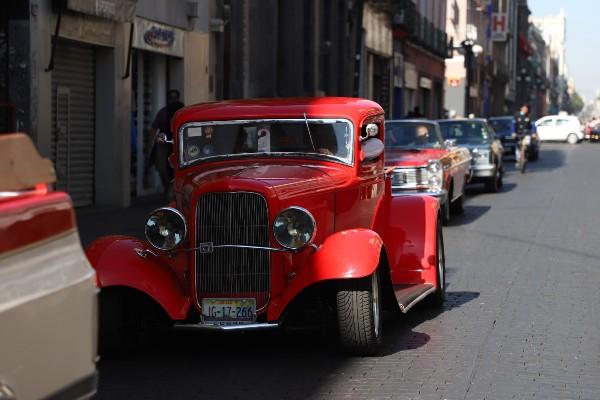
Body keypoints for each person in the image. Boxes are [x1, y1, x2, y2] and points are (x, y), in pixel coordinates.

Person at [149, 89, 183, 195]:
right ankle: (167, 187)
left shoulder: (182, 111)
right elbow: (154, 128)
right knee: (161, 167)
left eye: (175, 98)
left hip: (180, 144)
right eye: (171, 98)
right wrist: (150, 143)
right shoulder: (162, 113)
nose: (173, 100)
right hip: (164, 142)